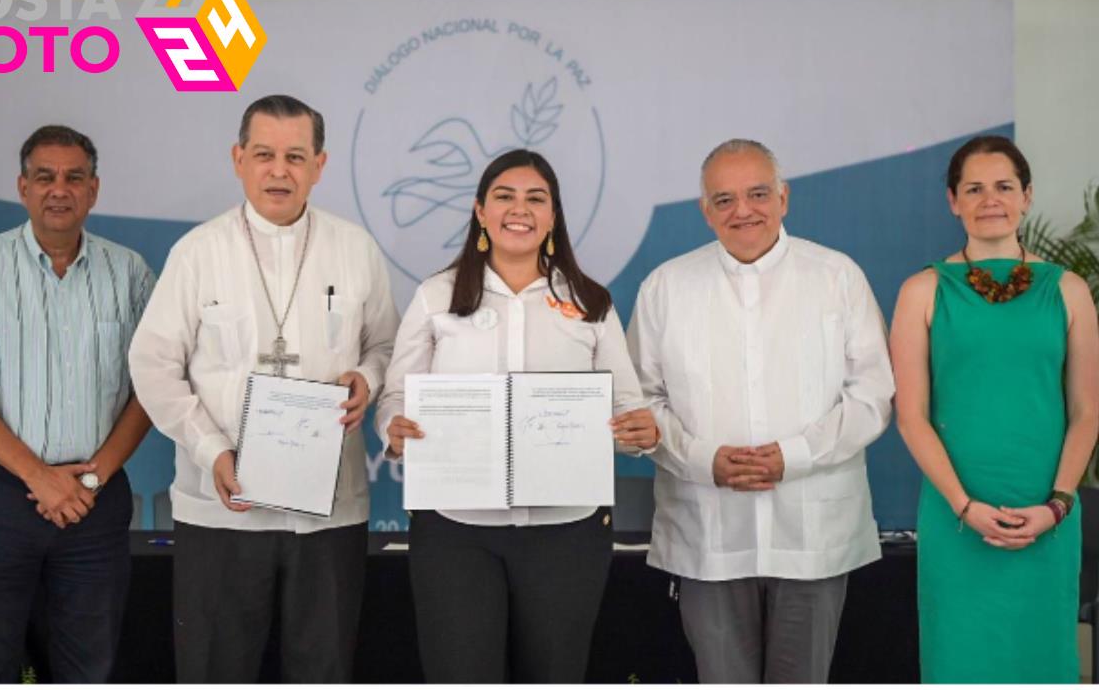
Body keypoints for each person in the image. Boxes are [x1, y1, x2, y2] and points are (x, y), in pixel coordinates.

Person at [127, 94, 399, 682]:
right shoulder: (198, 253)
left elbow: (385, 347)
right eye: (265, 154)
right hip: (222, 508)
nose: (280, 170)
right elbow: (152, 365)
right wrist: (212, 450)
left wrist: (366, 378)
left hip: (329, 511)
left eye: (296, 156)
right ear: (238, 158)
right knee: (215, 669)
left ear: (319, 166)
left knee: (322, 668)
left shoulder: (355, 250)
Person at [379, 149, 658, 682]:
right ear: (480, 211)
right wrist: (394, 428)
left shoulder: (589, 300)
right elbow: (396, 397)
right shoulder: (436, 296)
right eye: (504, 196)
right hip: (455, 532)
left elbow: (628, 407)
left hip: (566, 532)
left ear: (553, 217)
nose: (519, 209)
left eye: (536, 198)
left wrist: (641, 432)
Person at [627, 138, 894, 683]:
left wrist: (792, 456)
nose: (742, 210)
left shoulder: (836, 277)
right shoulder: (666, 288)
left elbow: (872, 394)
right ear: (705, 210)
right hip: (708, 529)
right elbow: (639, 402)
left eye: (757, 193)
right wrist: (704, 459)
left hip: (811, 530)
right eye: (723, 200)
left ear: (784, 197)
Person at [0, 125, 155, 682]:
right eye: (44, 176)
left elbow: (151, 389)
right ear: (22, 187)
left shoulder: (131, 274)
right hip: (0, 498)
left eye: (74, 177)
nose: (59, 189)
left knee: (87, 665)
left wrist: (88, 481)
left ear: (94, 190)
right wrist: (41, 478)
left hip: (94, 502)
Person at [890, 134, 1099, 682]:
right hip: (957, 516)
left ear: (1026, 196)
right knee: (960, 660)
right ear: (952, 201)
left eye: (1004, 186)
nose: (990, 199)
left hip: (1047, 516)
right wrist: (964, 506)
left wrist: (1056, 505)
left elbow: (1086, 410)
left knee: (1043, 662)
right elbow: (910, 415)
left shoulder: (1069, 290)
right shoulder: (922, 291)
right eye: (974, 188)